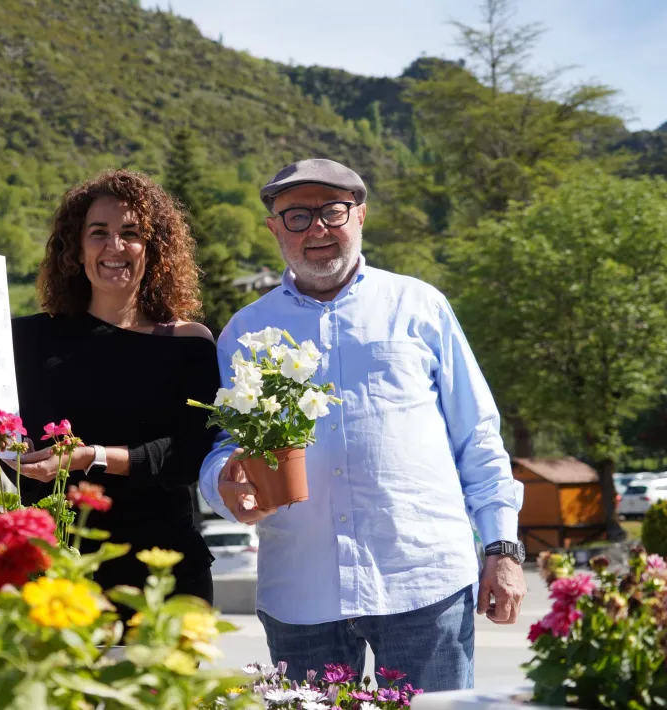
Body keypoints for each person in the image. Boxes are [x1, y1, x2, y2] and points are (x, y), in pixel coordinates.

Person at [198, 159, 527, 691]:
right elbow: (222, 445)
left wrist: (502, 549)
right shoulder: (245, 330)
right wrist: (223, 484)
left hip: (423, 584)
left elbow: (478, 437)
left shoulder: (420, 306)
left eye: (333, 210)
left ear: (361, 215)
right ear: (274, 228)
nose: (318, 228)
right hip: (300, 593)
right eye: (297, 216)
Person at [0, 169, 220, 610]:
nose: (114, 246)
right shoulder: (24, 342)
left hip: (166, 577)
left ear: (154, 248)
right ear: (76, 249)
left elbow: (190, 455)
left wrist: (93, 457)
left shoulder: (190, 343)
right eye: (98, 233)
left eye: (131, 233)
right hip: (53, 577)